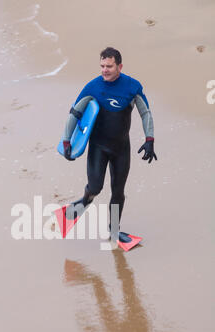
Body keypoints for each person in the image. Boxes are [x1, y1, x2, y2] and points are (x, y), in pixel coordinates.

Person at [62, 47, 157, 240]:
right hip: (99, 147)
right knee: (96, 187)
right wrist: (66, 140)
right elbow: (75, 113)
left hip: (121, 147)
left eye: (109, 66)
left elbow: (145, 112)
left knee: (118, 191)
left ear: (119, 66)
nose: (105, 70)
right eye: (102, 66)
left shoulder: (132, 87)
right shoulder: (93, 87)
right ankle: (85, 201)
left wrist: (149, 140)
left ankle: (114, 230)